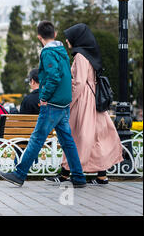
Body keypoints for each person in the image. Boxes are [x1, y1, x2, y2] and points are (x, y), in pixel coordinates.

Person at [0, 20, 86, 188]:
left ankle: (19, 174)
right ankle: (79, 177)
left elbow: (53, 76)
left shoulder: (47, 53)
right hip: (64, 103)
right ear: (55, 34)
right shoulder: (62, 51)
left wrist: (44, 96)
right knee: (67, 141)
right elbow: (65, 76)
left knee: (37, 138)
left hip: (52, 104)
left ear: (39, 37)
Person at [45, 23, 124, 186]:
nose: (67, 41)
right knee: (95, 137)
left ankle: (66, 174)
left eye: (69, 37)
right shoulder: (90, 54)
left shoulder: (80, 56)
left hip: (84, 101)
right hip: (94, 101)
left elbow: (79, 82)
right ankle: (101, 176)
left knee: (76, 136)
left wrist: (68, 100)